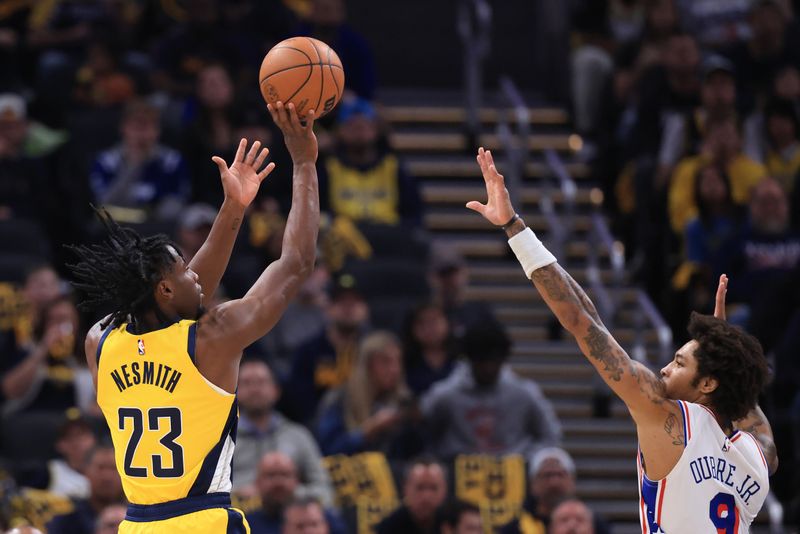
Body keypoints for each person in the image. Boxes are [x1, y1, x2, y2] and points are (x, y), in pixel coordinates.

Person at [467, 147, 777, 532]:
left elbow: (581, 322)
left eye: (680, 362)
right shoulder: (756, 456)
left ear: (709, 383)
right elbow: (752, 414)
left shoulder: (669, 418)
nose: (665, 367)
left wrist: (513, 225)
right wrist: (724, 347)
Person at [67, 101, 320, 532]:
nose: (197, 275)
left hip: (136, 524)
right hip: (201, 521)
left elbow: (170, 297)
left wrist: (234, 208)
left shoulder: (100, 341)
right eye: (185, 267)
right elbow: (295, 264)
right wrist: (304, 162)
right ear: (164, 289)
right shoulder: (211, 339)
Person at [421, 320, 561, 460]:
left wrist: (528, 460)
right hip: (460, 472)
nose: (488, 368)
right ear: (470, 360)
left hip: (513, 471)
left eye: (494, 362)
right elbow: (424, 427)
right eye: (482, 362)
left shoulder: (524, 393)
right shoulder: (446, 395)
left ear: (503, 360)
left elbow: (551, 435)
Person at [233, 360, 333, 507]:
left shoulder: (298, 436)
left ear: (276, 390)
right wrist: (237, 494)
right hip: (240, 517)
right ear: (235, 392)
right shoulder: (223, 440)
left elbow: (326, 492)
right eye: (247, 383)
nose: (255, 389)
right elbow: (206, 492)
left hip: (292, 518)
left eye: (261, 382)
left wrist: (291, 493)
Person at [314, 331, 423, 458]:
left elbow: (416, 455)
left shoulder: (404, 401)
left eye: (397, 361)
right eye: (385, 361)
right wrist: (367, 432)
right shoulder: (339, 399)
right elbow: (328, 451)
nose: (395, 369)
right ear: (366, 365)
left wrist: (415, 422)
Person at [499, 448, 610, 534]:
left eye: (560, 475)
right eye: (547, 475)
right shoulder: (515, 527)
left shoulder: (594, 521)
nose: (554, 482)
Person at [245, 453, 344, 534]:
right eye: (271, 475)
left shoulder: (321, 516)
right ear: (257, 482)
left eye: (285, 475)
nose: (279, 482)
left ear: (297, 480)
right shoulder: (246, 525)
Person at [46, 445, 125, 534]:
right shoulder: (66, 518)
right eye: (100, 468)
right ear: (85, 471)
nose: (107, 476)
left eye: (114, 468)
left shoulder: (139, 515)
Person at [374, 458, 447, 534]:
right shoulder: (389, 527)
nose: (426, 496)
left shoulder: (454, 522)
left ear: (445, 489)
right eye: (420, 488)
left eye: (433, 488)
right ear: (406, 489)